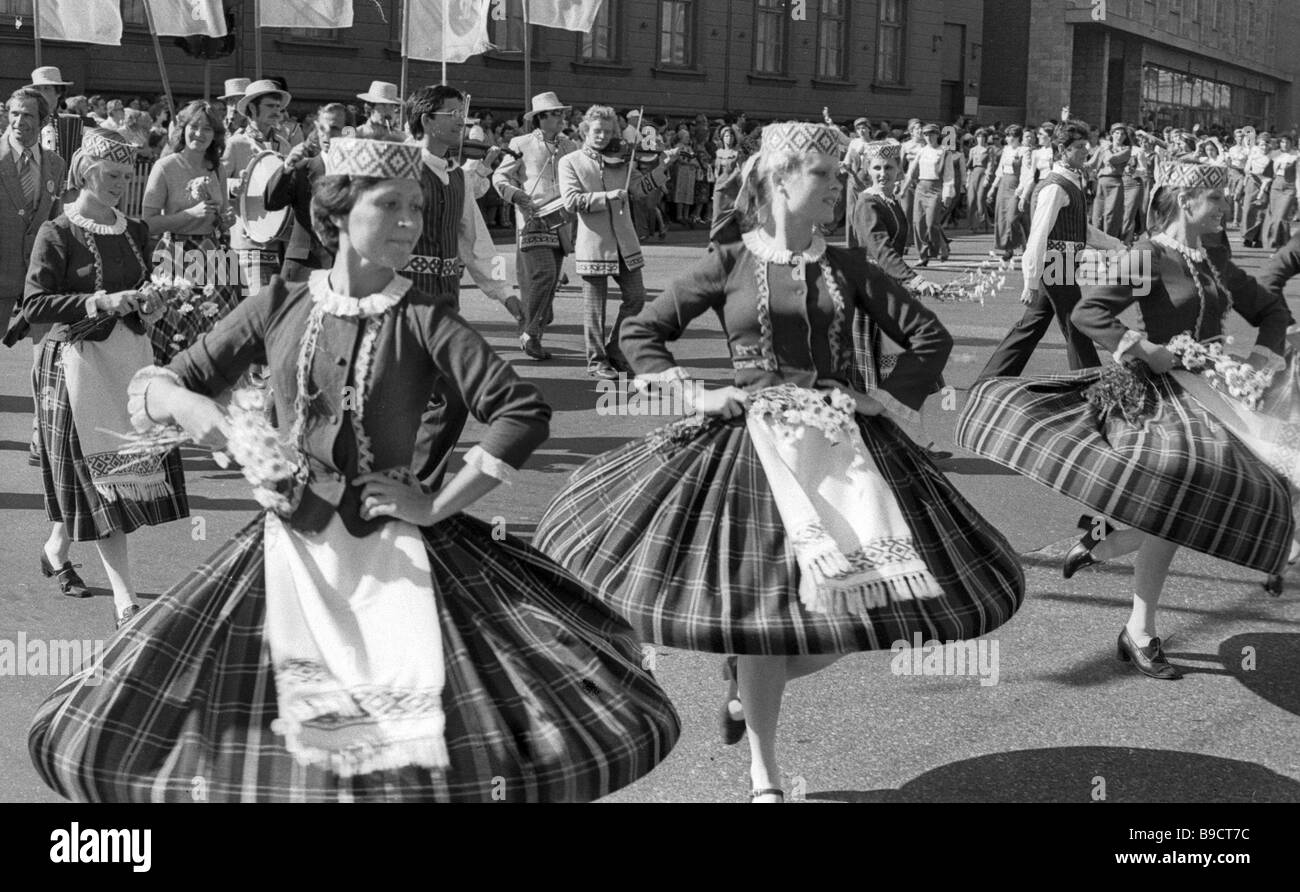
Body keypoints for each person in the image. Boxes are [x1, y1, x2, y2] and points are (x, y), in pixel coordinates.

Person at [25, 137, 680, 802]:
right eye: (389, 204)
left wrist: (438, 503)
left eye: (417, 208)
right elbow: (164, 383)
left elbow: (520, 410)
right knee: (281, 752)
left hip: (398, 558)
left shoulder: (425, 318)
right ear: (336, 215)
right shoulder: (279, 302)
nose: (408, 222)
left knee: (407, 758)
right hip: (289, 555)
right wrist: (211, 420)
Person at [535, 121, 1023, 802]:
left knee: (850, 619)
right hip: (748, 453)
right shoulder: (730, 259)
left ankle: (744, 688)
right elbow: (643, 330)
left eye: (837, 174)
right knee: (768, 616)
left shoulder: (845, 265)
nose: (837, 186)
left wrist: (882, 398)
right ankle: (765, 773)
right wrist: (696, 393)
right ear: (780, 179)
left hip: (841, 447)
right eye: (824, 174)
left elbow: (927, 335)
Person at [958, 160, 1294, 679]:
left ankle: (1107, 542)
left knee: (1230, 492)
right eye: (1218, 199)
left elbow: (1273, 312)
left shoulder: (1212, 260)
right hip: (1162, 393)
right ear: (1187, 201)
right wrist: (1145, 348)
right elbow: (1088, 313)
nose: (1227, 207)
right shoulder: (1148, 255)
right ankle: (1138, 625)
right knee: (1182, 504)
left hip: (1214, 391)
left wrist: (1258, 363)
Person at [13, 129, 190, 630]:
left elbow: (140, 287)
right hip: (74, 366)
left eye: (126, 176)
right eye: (112, 175)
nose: (121, 184)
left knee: (97, 478)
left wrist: (151, 301)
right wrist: (98, 301)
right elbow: (34, 305)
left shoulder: (134, 230)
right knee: (102, 483)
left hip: (128, 360)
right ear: (87, 172)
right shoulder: (57, 231)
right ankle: (125, 602)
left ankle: (56, 546)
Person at [0, 89, 83, 599]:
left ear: (43, 122)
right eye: (12, 116)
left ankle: (39, 432)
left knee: (41, 363)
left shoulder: (53, 164)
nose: (20, 124)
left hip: (33, 286)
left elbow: (52, 216)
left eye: (28, 117)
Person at [976, 120, 1125, 380]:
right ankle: (1090, 382)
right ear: (1062, 149)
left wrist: (1116, 246)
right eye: (1079, 147)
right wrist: (1029, 281)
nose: (1085, 152)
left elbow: (1084, 230)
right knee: (1075, 323)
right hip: (1056, 264)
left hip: (1063, 263)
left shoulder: (1070, 181)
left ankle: (992, 376)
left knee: (1034, 324)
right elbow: (1038, 235)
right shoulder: (1055, 187)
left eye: (1085, 146)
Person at [558, 104, 681, 379]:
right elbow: (571, 201)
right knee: (595, 308)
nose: (602, 136)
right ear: (586, 131)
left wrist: (664, 166)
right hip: (594, 243)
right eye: (597, 131)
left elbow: (639, 189)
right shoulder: (571, 162)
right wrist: (607, 197)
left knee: (636, 298)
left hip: (626, 242)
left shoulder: (622, 160)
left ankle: (615, 350)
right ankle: (596, 361)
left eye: (608, 131)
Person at [401, 85, 520, 321]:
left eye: (462, 114)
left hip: (447, 301)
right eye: (453, 114)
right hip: (403, 301)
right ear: (427, 120)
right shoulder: (400, 169)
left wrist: (506, 293)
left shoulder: (459, 176)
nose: (461, 122)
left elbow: (479, 242)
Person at [141, 100, 239, 343]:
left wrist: (227, 219)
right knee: (175, 331)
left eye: (207, 129)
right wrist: (190, 215)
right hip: (174, 254)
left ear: (215, 135)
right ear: (182, 129)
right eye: (194, 126)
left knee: (217, 332)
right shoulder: (165, 167)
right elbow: (147, 223)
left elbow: (222, 218)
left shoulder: (216, 169)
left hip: (212, 253)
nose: (199, 133)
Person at [493, 91, 579, 361]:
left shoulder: (570, 146)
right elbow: (500, 176)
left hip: (562, 220)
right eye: (554, 114)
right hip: (533, 218)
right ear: (540, 119)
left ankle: (534, 327)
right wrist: (516, 195)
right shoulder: (521, 143)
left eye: (561, 113)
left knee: (550, 279)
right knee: (543, 273)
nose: (561, 117)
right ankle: (530, 332)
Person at [223, 79, 295, 301]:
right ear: (252, 109)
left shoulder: (284, 145)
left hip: (280, 240)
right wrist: (233, 186)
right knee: (256, 307)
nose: (277, 112)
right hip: (248, 241)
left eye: (278, 107)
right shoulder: (236, 144)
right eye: (270, 106)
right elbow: (216, 183)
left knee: (276, 306)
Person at [847, 140, 939, 294]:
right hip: (871, 285)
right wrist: (913, 279)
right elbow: (880, 248)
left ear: (898, 170)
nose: (883, 174)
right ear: (868, 170)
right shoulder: (868, 202)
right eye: (877, 168)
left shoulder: (889, 200)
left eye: (888, 167)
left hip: (887, 282)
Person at [900, 124, 955, 266]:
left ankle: (940, 247)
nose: (929, 137)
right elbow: (911, 172)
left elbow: (949, 174)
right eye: (926, 135)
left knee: (931, 223)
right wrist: (903, 190)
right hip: (921, 188)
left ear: (937, 135)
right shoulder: (922, 151)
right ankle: (923, 255)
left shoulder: (944, 152)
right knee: (918, 223)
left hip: (935, 188)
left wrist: (947, 193)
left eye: (932, 134)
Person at [986, 124, 1028, 260]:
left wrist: (1021, 189)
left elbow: (1026, 172)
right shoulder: (1006, 150)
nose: (1008, 138)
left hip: (1016, 185)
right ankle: (1008, 249)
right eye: (1007, 136)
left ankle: (1023, 243)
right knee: (1003, 218)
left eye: (1011, 136)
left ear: (1017, 137)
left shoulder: (1024, 150)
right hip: (1004, 184)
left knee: (1012, 218)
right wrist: (993, 188)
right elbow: (1000, 170)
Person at [1090, 123, 1132, 239]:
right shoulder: (1102, 148)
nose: (1120, 136)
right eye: (1117, 133)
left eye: (1123, 134)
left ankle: (1110, 243)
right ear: (1112, 134)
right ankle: (1097, 242)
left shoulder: (1126, 150)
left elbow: (1111, 159)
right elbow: (1091, 164)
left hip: (1115, 183)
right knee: (1097, 215)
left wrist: (1106, 148)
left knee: (1111, 216)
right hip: (1101, 182)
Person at [1264, 133, 1298, 249]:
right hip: (1276, 185)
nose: (1285, 144)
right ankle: (1283, 245)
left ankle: (1278, 244)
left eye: (1287, 142)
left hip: (1290, 186)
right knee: (1275, 217)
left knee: (1282, 216)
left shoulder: (1297, 155)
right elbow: (1267, 172)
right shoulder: (1275, 154)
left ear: (1292, 143)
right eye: (1283, 142)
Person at [1241, 131, 1273, 248]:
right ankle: (1247, 237)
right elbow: (1246, 169)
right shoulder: (1253, 154)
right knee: (1249, 210)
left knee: (1262, 212)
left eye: (1267, 144)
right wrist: (1250, 174)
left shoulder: (1273, 156)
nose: (1264, 147)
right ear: (1258, 145)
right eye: (1262, 144)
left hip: (1266, 185)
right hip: (1253, 183)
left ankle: (1259, 238)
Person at [965, 128, 992, 232]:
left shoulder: (989, 149)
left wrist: (987, 178)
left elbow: (990, 164)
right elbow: (969, 166)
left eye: (983, 137)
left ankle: (981, 221)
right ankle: (972, 225)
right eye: (979, 137)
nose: (981, 139)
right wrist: (967, 179)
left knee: (980, 199)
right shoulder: (973, 150)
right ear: (976, 138)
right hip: (973, 174)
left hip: (983, 174)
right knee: (971, 200)